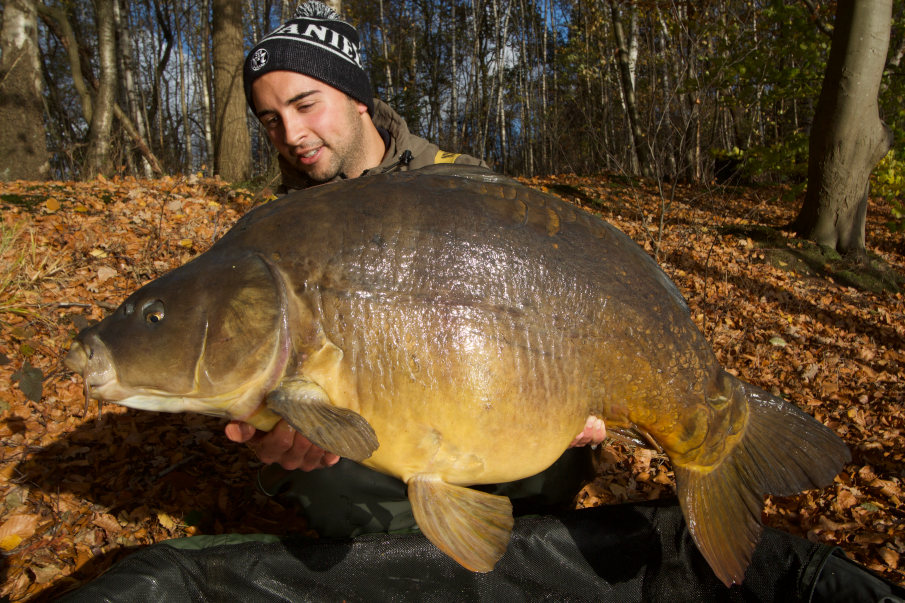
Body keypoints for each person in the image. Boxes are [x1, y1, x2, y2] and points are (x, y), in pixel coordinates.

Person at [227, 0, 606, 540]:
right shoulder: (275, 237)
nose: (291, 134)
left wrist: (584, 388)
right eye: (271, 120)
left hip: (491, 408)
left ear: (356, 96)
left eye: (305, 105)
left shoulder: (459, 182)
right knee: (324, 484)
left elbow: (551, 298)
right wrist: (270, 431)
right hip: (377, 443)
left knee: (560, 459)